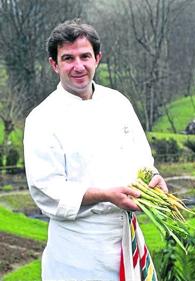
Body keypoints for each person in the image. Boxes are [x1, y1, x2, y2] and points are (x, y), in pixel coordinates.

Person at [24, 19, 168, 281]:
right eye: (68, 58)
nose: (78, 66)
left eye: (85, 56)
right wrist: (105, 194)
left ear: (97, 58)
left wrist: (153, 181)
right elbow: (46, 189)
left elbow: (143, 160)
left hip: (127, 239)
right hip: (79, 249)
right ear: (54, 64)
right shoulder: (42, 118)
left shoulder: (118, 102)